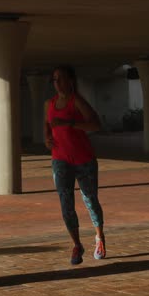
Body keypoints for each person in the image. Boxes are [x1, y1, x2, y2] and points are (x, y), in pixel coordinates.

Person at [44, 65, 106, 265]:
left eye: (61, 78)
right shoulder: (49, 104)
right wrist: (47, 138)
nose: (57, 83)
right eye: (54, 79)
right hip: (60, 160)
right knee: (66, 204)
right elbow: (47, 124)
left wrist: (70, 124)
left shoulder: (76, 101)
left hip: (84, 160)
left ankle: (99, 238)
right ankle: (77, 245)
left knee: (90, 200)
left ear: (70, 80)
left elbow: (96, 125)